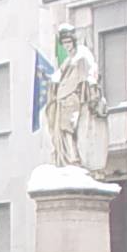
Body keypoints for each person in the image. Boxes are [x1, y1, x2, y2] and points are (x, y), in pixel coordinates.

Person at [43, 23, 106, 168]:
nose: (66, 46)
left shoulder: (82, 55)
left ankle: (73, 156)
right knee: (62, 128)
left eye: (68, 42)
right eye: (64, 43)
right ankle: (67, 157)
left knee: (68, 125)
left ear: (73, 41)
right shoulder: (67, 60)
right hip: (62, 97)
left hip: (73, 96)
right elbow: (57, 77)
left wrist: (92, 89)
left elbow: (92, 73)